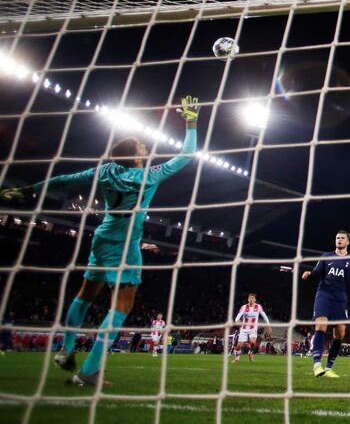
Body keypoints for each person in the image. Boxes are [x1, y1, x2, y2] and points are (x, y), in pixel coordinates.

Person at [0, 96, 200, 387]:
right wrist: (191, 123)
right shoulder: (148, 176)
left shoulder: (106, 170)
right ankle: (89, 371)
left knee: (86, 294)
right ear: (134, 157)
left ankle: (66, 351)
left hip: (102, 238)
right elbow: (186, 156)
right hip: (126, 244)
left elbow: (66, 179)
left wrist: (31, 190)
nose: (145, 148)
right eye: (141, 147)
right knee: (121, 306)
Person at [301, 230, 350, 378]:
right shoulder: (326, 256)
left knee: (340, 332)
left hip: (341, 298)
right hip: (324, 295)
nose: (339, 240)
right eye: (337, 237)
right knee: (321, 325)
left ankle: (328, 368)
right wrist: (309, 274)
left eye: (342, 238)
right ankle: (317, 364)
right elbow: (317, 272)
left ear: (348, 242)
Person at [232, 293, 272, 363]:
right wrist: (237, 321)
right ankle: (237, 359)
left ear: (255, 300)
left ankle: (250, 352)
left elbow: (265, 316)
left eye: (253, 298)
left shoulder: (258, 307)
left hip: (253, 328)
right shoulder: (244, 307)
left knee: (253, 343)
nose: (251, 299)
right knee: (238, 346)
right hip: (244, 328)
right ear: (248, 299)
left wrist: (269, 326)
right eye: (250, 298)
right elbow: (237, 317)